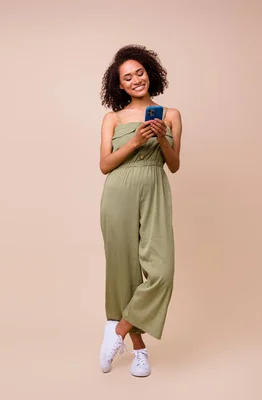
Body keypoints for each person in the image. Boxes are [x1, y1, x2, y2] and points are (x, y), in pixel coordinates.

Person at [98, 44, 183, 377]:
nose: (135, 80)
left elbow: (174, 165)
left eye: (140, 73)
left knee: (161, 272)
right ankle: (139, 351)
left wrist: (161, 139)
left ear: (150, 73)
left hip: (155, 190)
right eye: (127, 77)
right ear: (119, 85)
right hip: (118, 193)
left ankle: (116, 330)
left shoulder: (170, 114)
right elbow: (104, 165)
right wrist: (134, 142)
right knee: (124, 274)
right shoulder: (113, 118)